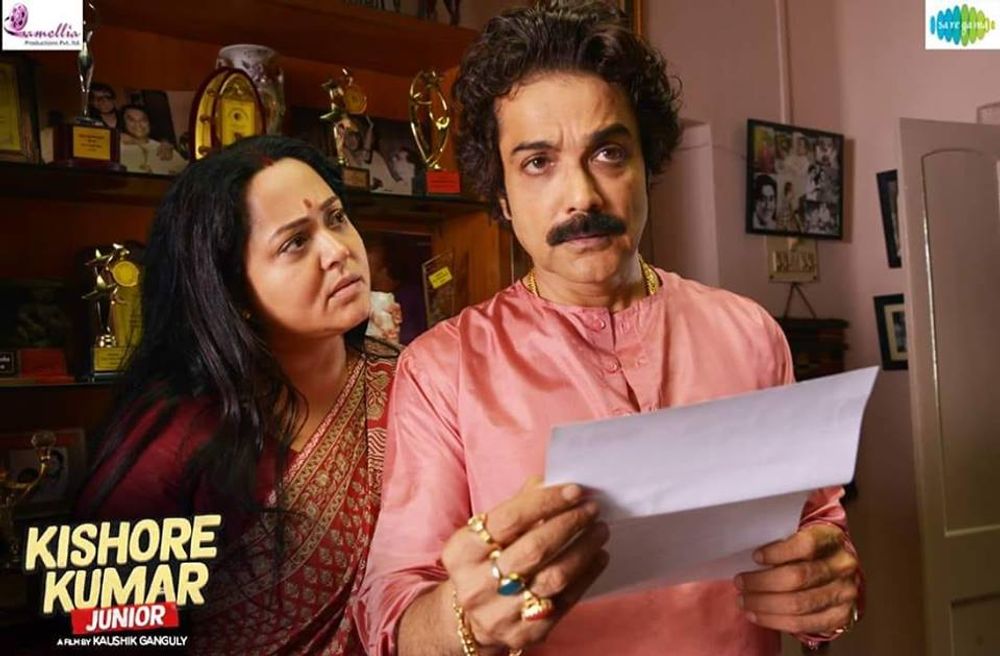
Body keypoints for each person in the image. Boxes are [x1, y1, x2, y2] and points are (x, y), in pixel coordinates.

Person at [354, 3, 861, 655]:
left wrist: (830, 594)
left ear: (647, 166)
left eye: (608, 153)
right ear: (501, 195)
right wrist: (467, 619)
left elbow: (821, 538)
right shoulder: (442, 370)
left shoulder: (749, 333)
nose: (582, 197)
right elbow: (392, 623)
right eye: (538, 162)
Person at [77, 136, 398, 655]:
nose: (338, 251)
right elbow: (103, 628)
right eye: (296, 242)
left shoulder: (410, 383)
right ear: (233, 291)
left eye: (336, 219)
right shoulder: (176, 438)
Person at [119, 104, 187, 175]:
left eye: (143, 120)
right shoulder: (118, 149)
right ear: (123, 123)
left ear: (149, 123)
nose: (138, 124)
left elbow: (186, 173)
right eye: (131, 120)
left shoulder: (164, 149)